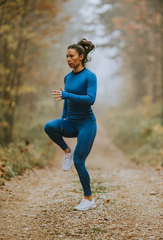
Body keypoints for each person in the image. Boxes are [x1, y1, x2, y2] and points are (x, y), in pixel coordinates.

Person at [44, 38, 97, 211]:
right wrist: (64, 118)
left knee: (79, 162)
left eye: (71, 56)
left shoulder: (90, 76)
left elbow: (90, 100)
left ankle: (88, 198)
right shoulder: (68, 77)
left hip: (86, 125)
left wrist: (67, 95)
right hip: (71, 123)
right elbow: (66, 101)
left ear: (81, 57)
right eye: (66, 56)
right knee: (49, 126)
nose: (68, 59)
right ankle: (67, 151)